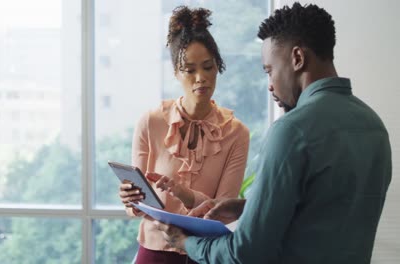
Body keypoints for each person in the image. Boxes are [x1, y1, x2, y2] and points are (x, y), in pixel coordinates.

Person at [154, 2, 392, 263]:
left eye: (270, 71)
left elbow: (244, 253)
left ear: (298, 58)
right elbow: (325, 210)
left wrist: (186, 243)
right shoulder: (374, 127)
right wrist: (249, 208)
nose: (270, 86)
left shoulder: (292, 130)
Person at [118, 5, 250, 264]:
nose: (200, 78)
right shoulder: (150, 122)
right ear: (177, 73)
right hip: (154, 251)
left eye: (208, 67)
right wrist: (128, 197)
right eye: (190, 70)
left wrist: (182, 193)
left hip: (205, 253)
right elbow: (137, 206)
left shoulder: (236, 133)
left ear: (218, 67)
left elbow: (222, 211)